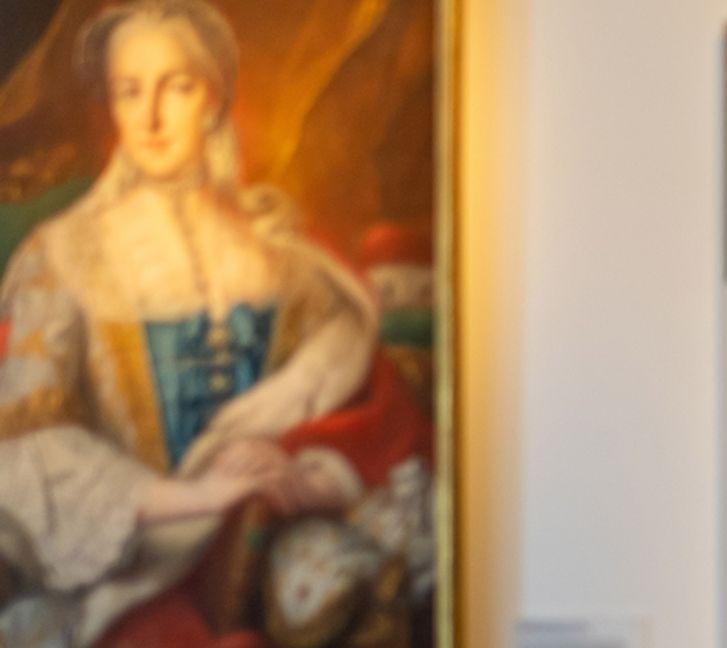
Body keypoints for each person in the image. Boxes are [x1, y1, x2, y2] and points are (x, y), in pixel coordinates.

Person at [0, 2, 430, 645]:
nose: (150, 117)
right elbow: (28, 443)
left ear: (213, 97)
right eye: (129, 91)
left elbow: (362, 410)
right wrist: (195, 497)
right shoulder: (61, 256)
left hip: (259, 545)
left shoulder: (281, 255)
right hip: (130, 564)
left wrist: (306, 480)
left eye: (175, 86)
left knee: (340, 592)